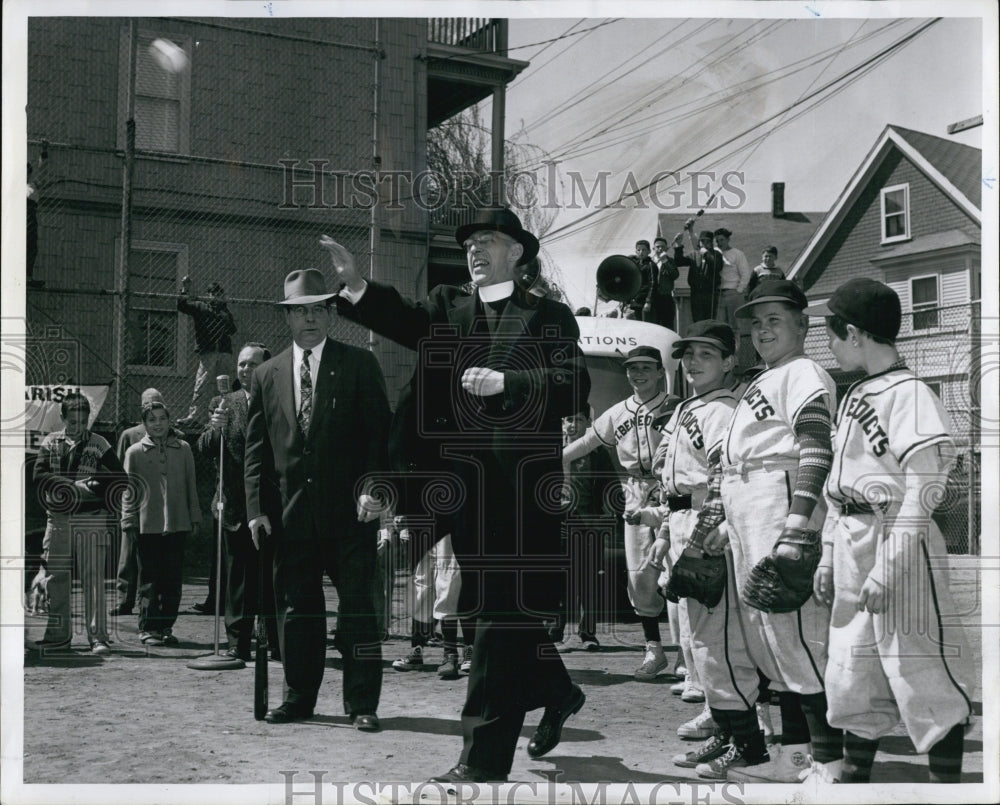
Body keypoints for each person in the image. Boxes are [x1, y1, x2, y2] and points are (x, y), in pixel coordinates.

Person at [323, 207, 589, 784]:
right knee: (498, 617)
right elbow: (403, 318)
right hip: (452, 488)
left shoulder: (548, 316)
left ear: (517, 253)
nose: (473, 250)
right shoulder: (448, 307)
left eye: (487, 241)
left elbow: (573, 388)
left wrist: (509, 383)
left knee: (492, 620)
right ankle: (558, 689)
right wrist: (356, 286)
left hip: (518, 496)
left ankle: (481, 761)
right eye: (469, 243)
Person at [671, 280, 844, 783]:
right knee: (770, 643)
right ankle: (794, 758)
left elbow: (815, 444)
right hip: (750, 500)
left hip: (779, 495)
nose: (763, 330)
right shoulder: (763, 379)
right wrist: (724, 519)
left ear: (803, 325)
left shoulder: (803, 371)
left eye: (776, 320)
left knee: (798, 638)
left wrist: (797, 524)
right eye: (758, 321)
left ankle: (829, 763)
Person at [805, 279, 974, 784]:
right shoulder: (857, 391)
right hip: (854, 534)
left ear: (855, 333)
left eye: (833, 332)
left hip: (898, 536)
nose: (829, 342)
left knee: (921, 673)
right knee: (852, 674)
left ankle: (950, 792)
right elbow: (839, 488)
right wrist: (830, 556)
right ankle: (852, 784)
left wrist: (889, 566)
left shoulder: (911, 393)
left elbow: (924, 488)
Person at [244, 267, 390, 730]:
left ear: (330, 314)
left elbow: (378, 439)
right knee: (297, 611)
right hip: (290, 520)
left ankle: (362, 704)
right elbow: (255, 450)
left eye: (318, 310)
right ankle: (298, 698)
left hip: (351, 516)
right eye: (300, 312)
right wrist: (255, 511)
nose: (310, 320)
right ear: (287, 319)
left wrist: (375, 489)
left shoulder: (359, 365)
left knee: (358, 612)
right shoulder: (266, 375)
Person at [562, 345, 678, 680]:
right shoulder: (618, 411)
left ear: (659, 372)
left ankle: (687, 654)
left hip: (670, 489)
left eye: (645, 368)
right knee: (640, 576)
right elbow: (586, 442)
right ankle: (654, 650)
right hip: (635, 492)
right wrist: (555, 459)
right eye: (632, 368)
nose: (638, 374)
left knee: (676, 573)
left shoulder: (675, 407)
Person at [196, 342, 279, 662]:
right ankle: (237, 642)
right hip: (233, 505)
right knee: (238, 578)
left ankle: (272, 639)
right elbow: (204, 448)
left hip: (271, 505)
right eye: (242, 364)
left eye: (252, 364)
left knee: (271, 576)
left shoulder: (280, 400)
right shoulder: (223, 403)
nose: (244, 369)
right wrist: (214, 430)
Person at [31, 392, 125, 655]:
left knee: (93, 578)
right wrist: (72, 486)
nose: (77, 427)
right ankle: (59, 637)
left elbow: (120, 478)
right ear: (62, 419)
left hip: (91, 520)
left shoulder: (99, 443)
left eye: (83, 422)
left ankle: (98, 638)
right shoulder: (51, 442)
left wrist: (93, 484)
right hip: (58, 519)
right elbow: (39, 475)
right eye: (72, 422)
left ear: (88, 420)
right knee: (55, 578)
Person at [121, 400, 201, 646]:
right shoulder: (134, 452)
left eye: (162, 419)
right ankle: (148, 628)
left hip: (178, 524)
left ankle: (166, 626)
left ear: (169, 421)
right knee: (149, 580)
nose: (158, 424)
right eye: (152, 419)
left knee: (172, 579)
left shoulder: (184, 448)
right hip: (147, 526)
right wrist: (129, 520)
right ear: (144, 424)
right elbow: (128, 490)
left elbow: (191, 484)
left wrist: (194, 517)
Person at [556, 404, 618, 650]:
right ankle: (555, 631)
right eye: (568, 420)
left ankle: (588, 633)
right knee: (559, 577)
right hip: (559, 523)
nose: (573, 425)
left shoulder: (597, 453)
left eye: (578, 420)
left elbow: (610, 485)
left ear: (587, 423)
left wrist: (607, 516)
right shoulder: (553, 451)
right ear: (562, 424)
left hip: (588, 522)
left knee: (589, 579)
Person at [111, 387, 168, 617]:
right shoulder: (129, 435)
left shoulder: (174, 435)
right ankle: (124, 600)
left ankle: (154, 603)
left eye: (157, 402)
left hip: (160, 505)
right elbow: (117, 470)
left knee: (155, 559)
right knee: (128, 554)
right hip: (134, 501)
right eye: (147, 404)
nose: (152, 406)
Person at [176, 279, 237, 428]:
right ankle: (195, 416)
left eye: (218, 293)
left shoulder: (224, 311)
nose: (215, 296)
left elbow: (232, 329)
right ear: (208, 295)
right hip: (208, 351)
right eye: (212, 293)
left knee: (224, 385)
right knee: (202, 383)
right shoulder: (200, 307)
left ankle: (225, 416)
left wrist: (223, 310)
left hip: (223, 351)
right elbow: (183, 306)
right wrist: (185, 289)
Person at [712, 228, 751, 332]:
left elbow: (746, 273)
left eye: (722, 240)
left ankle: (737, 348)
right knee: (720, 326)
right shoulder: (714, 253)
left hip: (733, 293)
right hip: (719, 294)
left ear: (728, 239)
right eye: (717, 241)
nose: (719, 243)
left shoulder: (737, 254)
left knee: (736, 326)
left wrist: (739, 290)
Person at [684, 228, 722, 324]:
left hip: (710, 292)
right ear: (699, 242)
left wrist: (706, 253)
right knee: (697, 319)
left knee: (709, 319)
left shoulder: (716, 254)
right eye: (702, 241)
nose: (705, 243)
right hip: (696, 292)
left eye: (707, 241)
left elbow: (717, 265)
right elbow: (679, 261)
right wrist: (678, 247)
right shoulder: (694, 254)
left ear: (711, 242)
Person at [644, 236, 680, 329]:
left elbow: (675, 275)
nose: (660, 249)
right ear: (653, 249)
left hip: (665, 297)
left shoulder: (670, 261)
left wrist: (665, 261)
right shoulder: (649, 262)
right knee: (652, 326)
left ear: (667, 249)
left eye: (662, 247)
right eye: (657, 247)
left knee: (667, 326)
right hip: (651, 298)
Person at [625, 239, 656, 320]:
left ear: (649, 251)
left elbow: (653, 284)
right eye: (638, 250)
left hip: (644, 302)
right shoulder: (634, 264)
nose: (641, 252)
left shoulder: (651, 265)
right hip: (634, 301)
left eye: (643, 250)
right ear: (636, 251)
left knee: (645, 324)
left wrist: (648, 302)